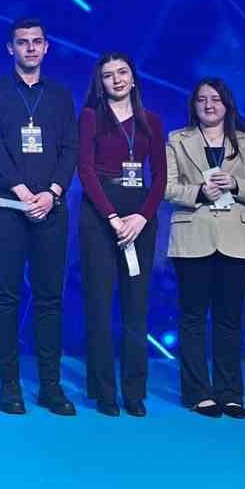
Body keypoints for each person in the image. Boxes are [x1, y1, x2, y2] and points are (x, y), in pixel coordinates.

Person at [0, 18, 79, 415]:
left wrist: (51, 192)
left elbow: (70, 149)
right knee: (6, 295)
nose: (31, 48)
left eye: (37, 41)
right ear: (11, 49)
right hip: (8, 207)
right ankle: (10, 385)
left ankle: (50, 385)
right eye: (23, 42)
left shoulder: (60, 96)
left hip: (50, 207)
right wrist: (22, 192)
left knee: (50, 297)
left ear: (46, 47)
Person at [165, 78, 245, 418]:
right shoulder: (177, 140)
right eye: (201, 99)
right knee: (193, 318)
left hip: (236, 240)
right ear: (193, 105)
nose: (209, 105)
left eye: (215, 99)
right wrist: (198, 192)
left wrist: (236, 184)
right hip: (192, 236)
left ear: (227, 104)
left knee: (229, 319)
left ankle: (230, 394)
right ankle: (198, 392)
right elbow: (166, 187)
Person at [77, 52, 167, 417]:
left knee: (136, 306)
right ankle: (104, 391)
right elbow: (85, 170)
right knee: (99, 305)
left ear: (133, 77)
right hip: (100, 216)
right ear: (100, 82)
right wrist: (113, 218)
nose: (116, 79)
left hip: (140, 218)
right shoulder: (90, 116)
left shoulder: (151, 121)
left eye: (122, 72)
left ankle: (134, 391)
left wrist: (142, 218)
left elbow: (160, 177)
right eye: (108, 74)